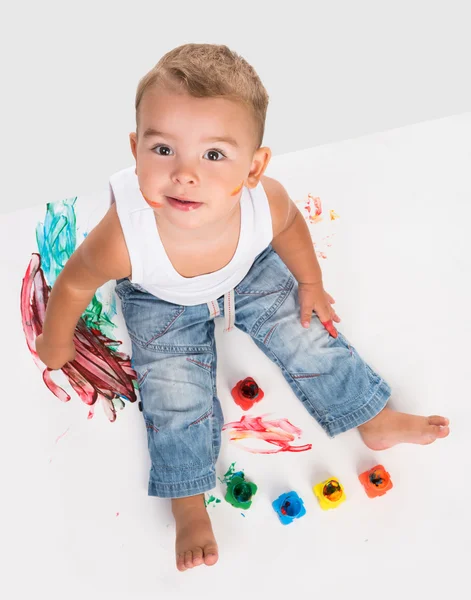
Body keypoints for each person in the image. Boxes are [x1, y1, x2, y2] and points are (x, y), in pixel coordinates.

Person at [35, 43, 450, 572]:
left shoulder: (264, 201)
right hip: (160, 298)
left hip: (246, 270)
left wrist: (311, 282)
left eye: (213, 155)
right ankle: (187, 498)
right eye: (163, 150)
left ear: (254, 167)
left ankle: (371, 416)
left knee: (307, 334)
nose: (185, 173)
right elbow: (72, 285)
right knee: (174, 393)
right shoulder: (123, 236)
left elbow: (292, 228)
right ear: (136, 149)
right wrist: (57, 339)